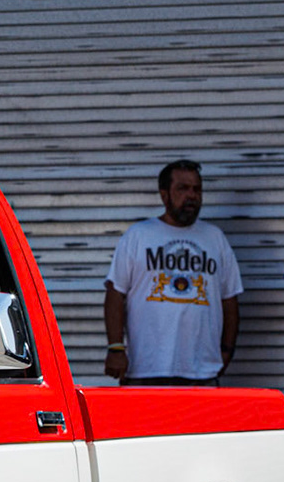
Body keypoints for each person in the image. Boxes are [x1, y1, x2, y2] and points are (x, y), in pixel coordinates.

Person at [104, 159, 242, 386]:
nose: (192, 196)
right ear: (164, 194)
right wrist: (116, 348)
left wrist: (226, 351)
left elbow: (230, 300)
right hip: (145, 369)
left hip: (202, 372)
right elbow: (115, 293)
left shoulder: (214, 238)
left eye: (197, 189)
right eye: (183, 188)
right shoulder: (138, 235)